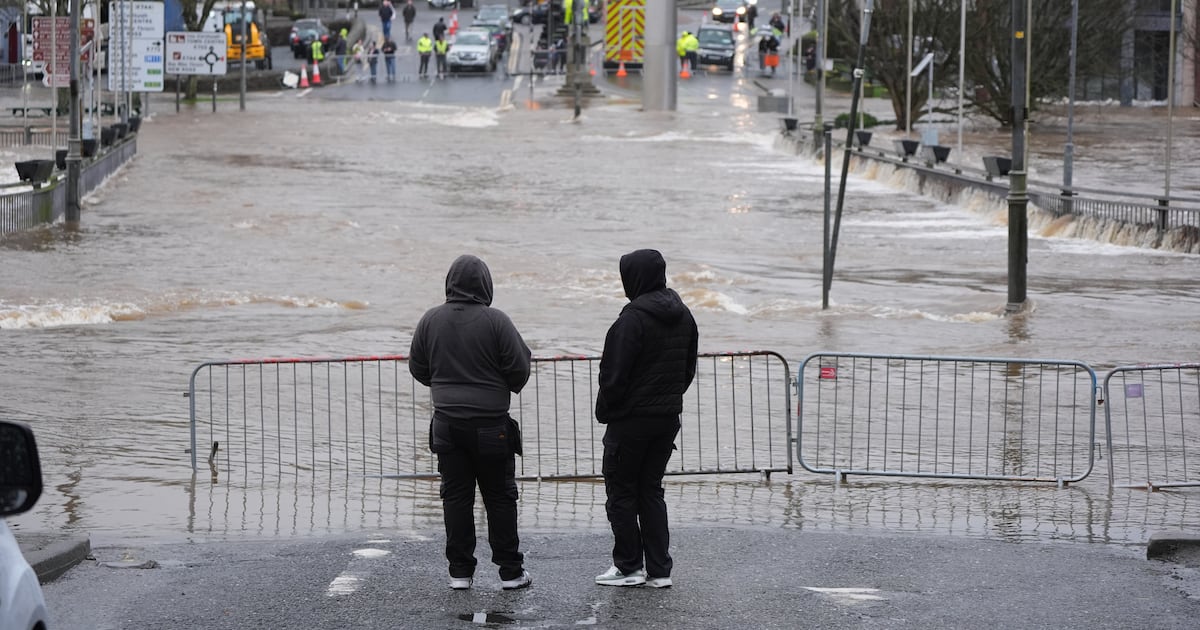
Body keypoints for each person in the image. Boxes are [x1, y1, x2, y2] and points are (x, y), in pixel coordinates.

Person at [409, 254, 533, 592]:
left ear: (449, 283)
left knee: (456, 497)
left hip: (447, 425)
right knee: (500, 498)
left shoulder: (430, 320)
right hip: (492, 426)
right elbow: (519, 368)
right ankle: (510, 571)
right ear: (485, 284)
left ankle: (459, 572)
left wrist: (444, 385)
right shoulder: (497, 321)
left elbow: (418, 367)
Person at [593, 249, 698, 590]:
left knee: (621, 492)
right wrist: (667, 399)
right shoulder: (685, 316)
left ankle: (628, 567)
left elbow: (612, 376)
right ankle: (659, 569)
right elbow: (687, 369)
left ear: (633, 278)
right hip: (667, 418)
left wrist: (608, 410)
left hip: (630, 421)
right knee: (651, 491)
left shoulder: (631, 320)